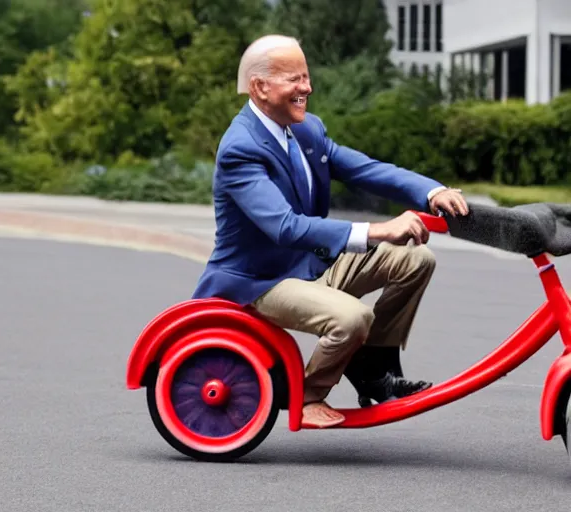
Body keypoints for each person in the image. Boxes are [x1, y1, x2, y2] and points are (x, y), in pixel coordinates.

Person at [191, 35, 469, 428]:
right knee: (352, 318)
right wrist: (378, 231)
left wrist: (431, 191)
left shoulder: (307, 130)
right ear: (260, 87)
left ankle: (374, 373)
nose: (307, 88)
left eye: (306, 77)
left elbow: (365, 169)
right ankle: (307, 395)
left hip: (310, 266)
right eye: (294, 79)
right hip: (261, 281)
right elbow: (284, 227)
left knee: (416, 260)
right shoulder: (241, 148)